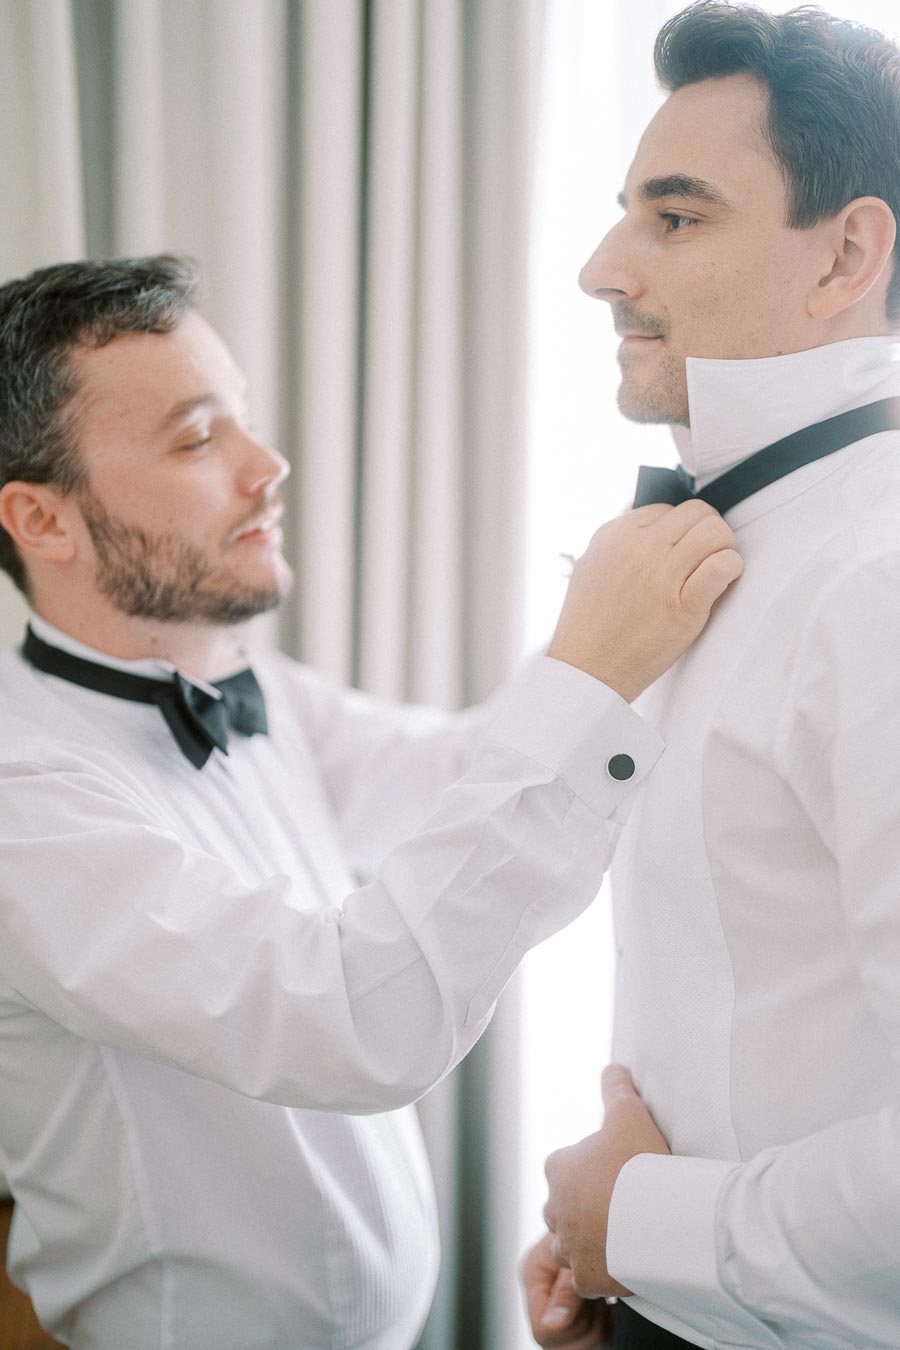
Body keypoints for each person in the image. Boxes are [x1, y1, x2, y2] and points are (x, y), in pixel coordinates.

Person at [0, 255, 740, 1350]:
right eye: (199, 439)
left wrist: (622, 608)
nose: (269, 465)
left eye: (244, 421)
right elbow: (351, 1021)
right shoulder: (24, 803)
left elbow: (462, 775)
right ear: (43, 521)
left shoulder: (261, 693)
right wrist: (590, 672)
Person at [521, 3, 900, 1348]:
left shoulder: (877, 584)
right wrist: (617, 1257)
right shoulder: (727, 544)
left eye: (674, 219)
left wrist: (637, 1223)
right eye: (627, 211)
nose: (599, 268)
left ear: (848, 251)